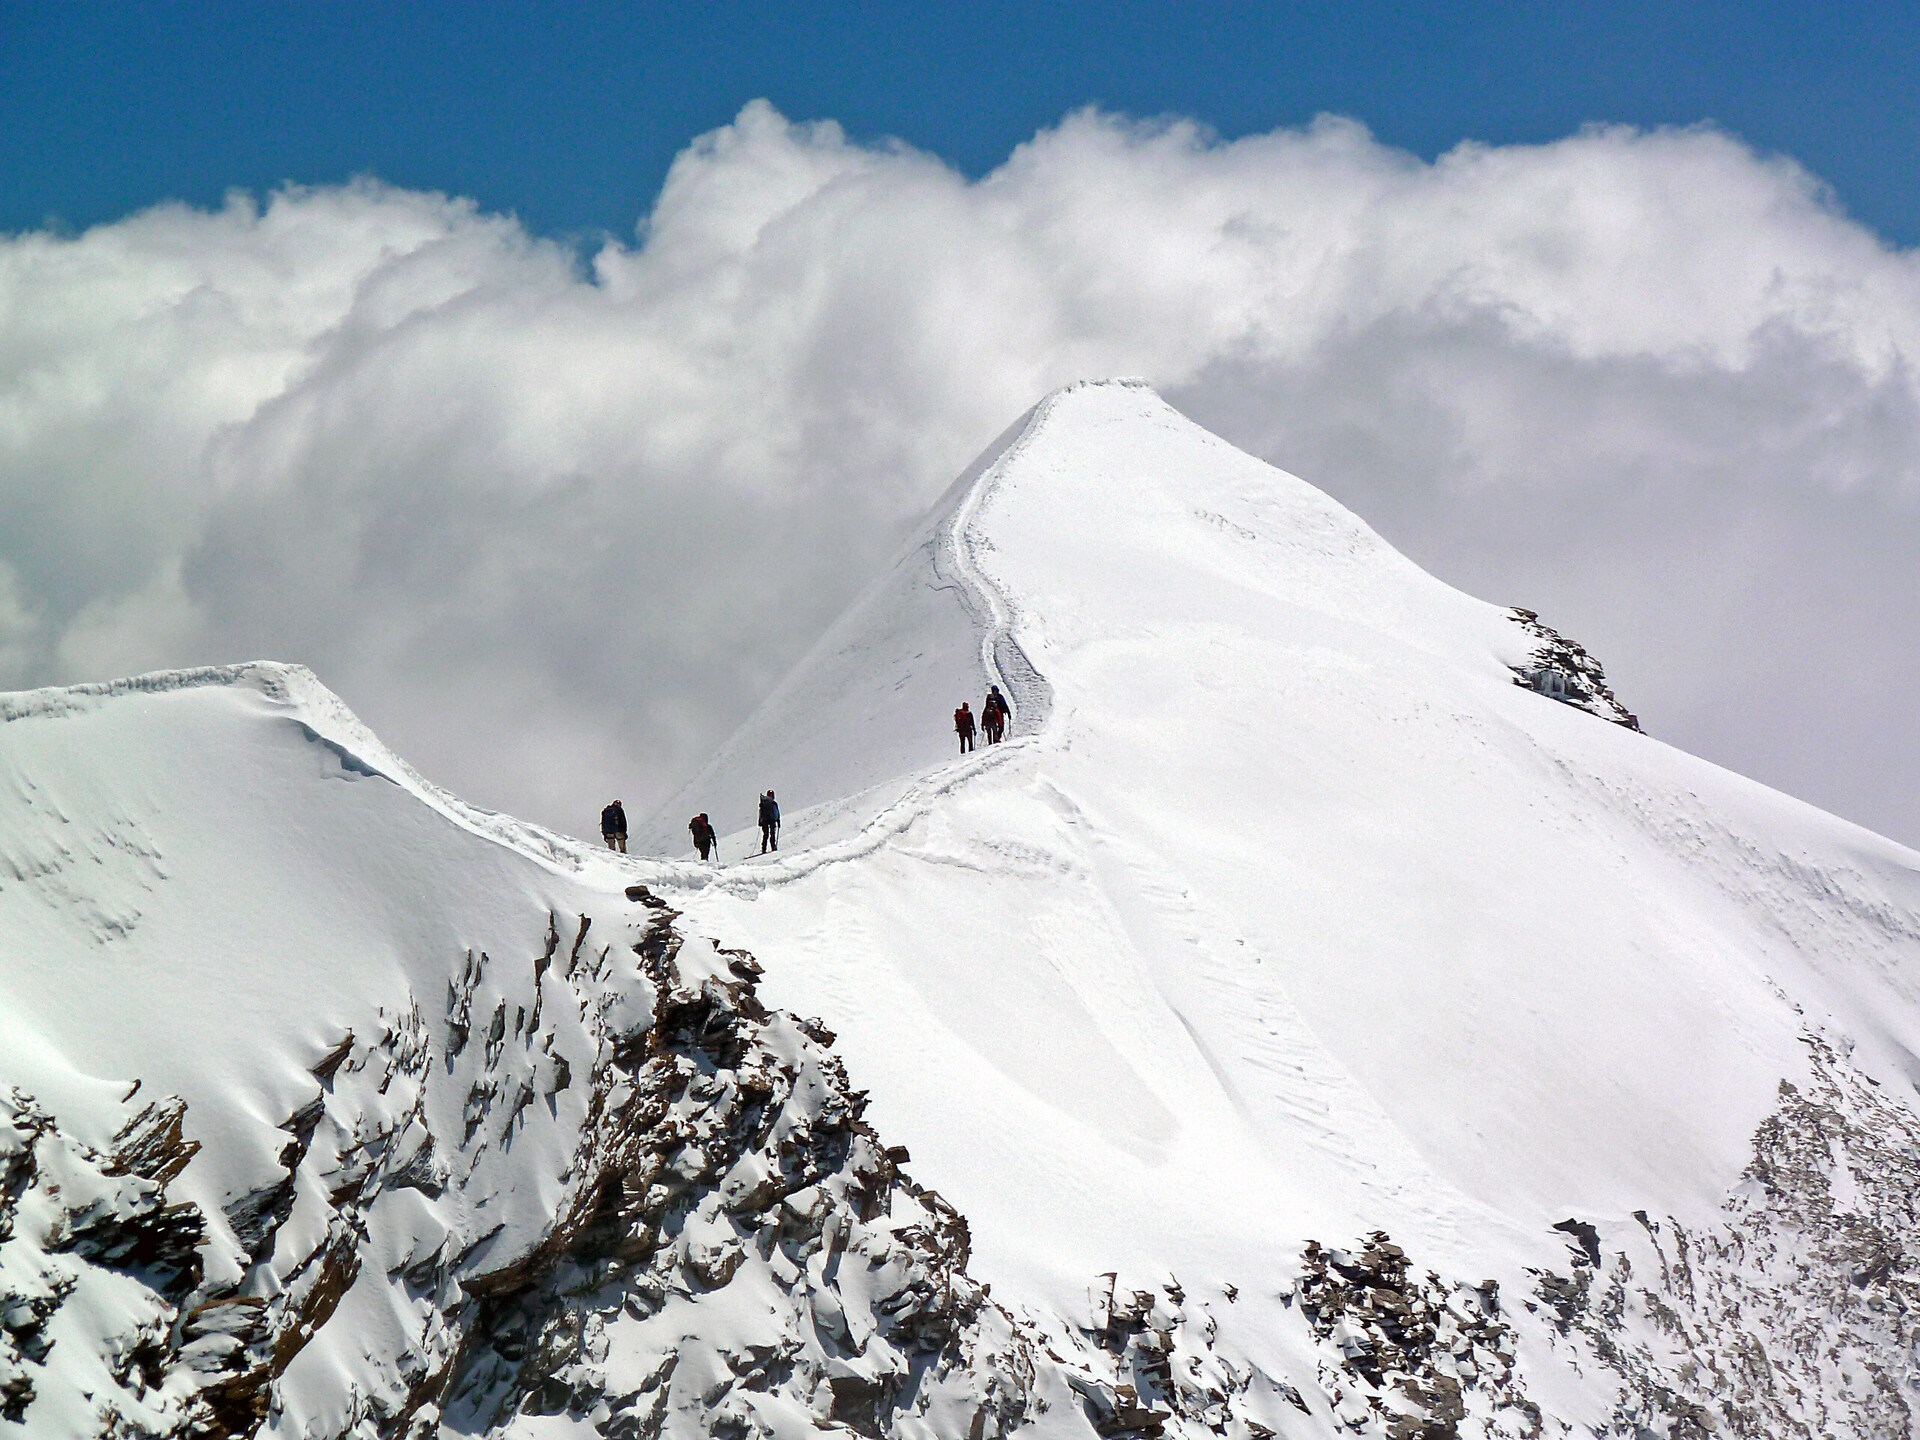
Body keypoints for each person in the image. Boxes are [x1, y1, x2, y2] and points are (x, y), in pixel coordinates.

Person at [758, 790, 781, 854]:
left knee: (765, 835)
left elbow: (760, 813)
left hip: (764, 821)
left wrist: (760, 821)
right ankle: (773, 847)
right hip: (772, 820)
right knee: (772, 834)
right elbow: (776, 812)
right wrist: (778, 820)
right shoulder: (773, 803)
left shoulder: (763, 803)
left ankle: (763, 849)